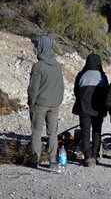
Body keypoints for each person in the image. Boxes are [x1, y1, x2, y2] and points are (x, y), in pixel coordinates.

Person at [27, 35, 64, 169]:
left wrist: (31, 103)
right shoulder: (57, 65)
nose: (34, 48)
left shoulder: (38, 66)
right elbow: (61, 86)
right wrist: (58, 100)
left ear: (41, 47)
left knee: (36, 131)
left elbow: (33, 89)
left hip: (40, 104)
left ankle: (35, 159)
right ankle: (52, 160)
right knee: (52, 132)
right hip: (54, 104)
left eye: (36, 45)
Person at [72, 53, 109, 167]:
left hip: (83, 108)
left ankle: (87, 156)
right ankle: (95, 155)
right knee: (97, 132)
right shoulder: (103, 76)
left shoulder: (81, 74)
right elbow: (107, 93)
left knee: (85, 133)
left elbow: (76, 91)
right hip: (98, 109)